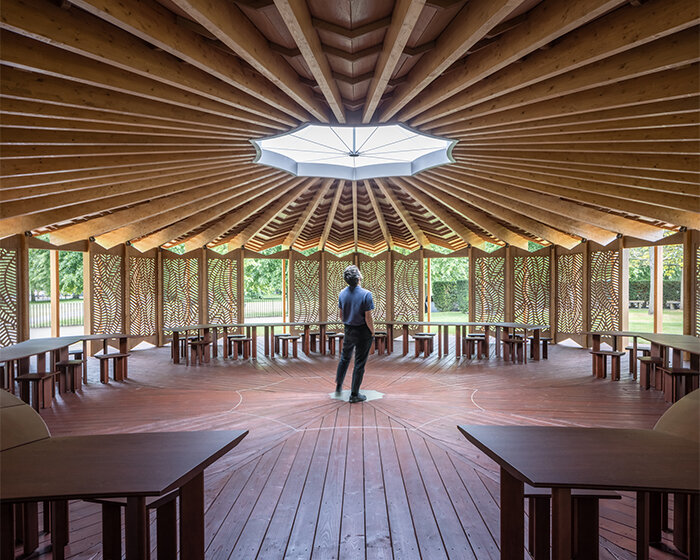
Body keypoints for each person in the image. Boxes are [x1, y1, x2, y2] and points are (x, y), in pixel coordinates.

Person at [335, 265, 375, 403]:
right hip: (363, 331)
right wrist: (372, 331)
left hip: (349, 329)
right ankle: (354, 394)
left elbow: (341, 315)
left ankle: (339, 387)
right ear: (358, 277)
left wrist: (348, 323)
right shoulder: (366, 294)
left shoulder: (342, 294)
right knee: (359, 363)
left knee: (344, 359)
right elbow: (368, 318)